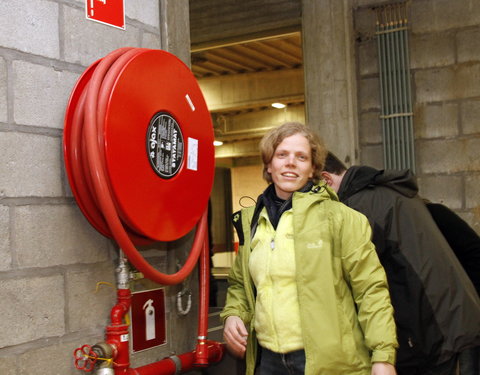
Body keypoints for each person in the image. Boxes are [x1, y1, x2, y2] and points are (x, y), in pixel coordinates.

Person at [221, 122, 398, 375]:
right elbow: (240, 284)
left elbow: (371, 290)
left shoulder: (341, 218)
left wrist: (383, 357)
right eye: (282, 155)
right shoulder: (251, 221)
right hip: (268, 361)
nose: (291, 163)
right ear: (269, 165)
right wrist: (234, 315)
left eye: (301, 157)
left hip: (329, 363)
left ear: (313, 168)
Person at [321, 152, 480, 375]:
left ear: (326, 180)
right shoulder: (388, 191)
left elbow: (375, 283)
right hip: (454, 317)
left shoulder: (358, 208)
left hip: (430, 331)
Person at [425, 202, 480, 375]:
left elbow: (474, 251)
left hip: (466, 304)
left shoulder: (434, 214)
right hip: (456, 305)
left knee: (468, 363)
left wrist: (468, 292)